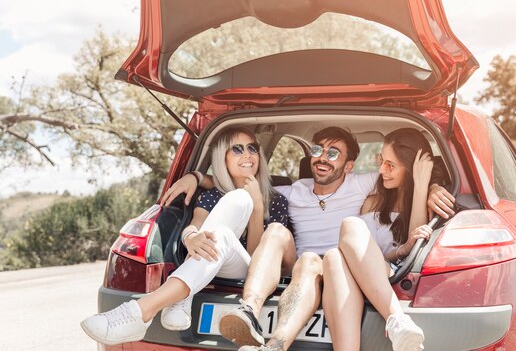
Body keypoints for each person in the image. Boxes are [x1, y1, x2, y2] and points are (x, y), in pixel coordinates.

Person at [160, 126, 455, 351]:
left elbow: (404, 176)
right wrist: (197, 178)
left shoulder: (364, 182)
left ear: (349, 165)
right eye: (317, 150)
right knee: (285, 237)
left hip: (344, 268)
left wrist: (432, 188)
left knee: (330, 253)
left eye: (333, 153)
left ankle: (276, 342)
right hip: (301, 269)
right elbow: (243, 184)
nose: (322, 158)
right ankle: (250, 311)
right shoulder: (293, 190)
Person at [80, 127, 289, 346]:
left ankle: (141, 311)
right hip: (215, 261)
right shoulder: (212, 196)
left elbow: (259, 258)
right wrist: (191, 238)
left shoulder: (277, 201)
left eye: (252, 148)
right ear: (222, 159)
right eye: (237, 149)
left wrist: (257, 207)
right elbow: (193, 227)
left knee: (241, 201)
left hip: (252, 273)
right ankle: (181, 295)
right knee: (229, 220)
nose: (247, 154)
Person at [322, 128, 434, 351]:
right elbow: (368, 255)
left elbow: (414, 245)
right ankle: (396, 321)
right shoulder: (373, 202)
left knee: (349, 226)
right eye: (381, 160)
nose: (382, 170)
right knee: (334, 254)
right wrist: (400, 251)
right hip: (372, 274)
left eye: (391, 165)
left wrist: (423, 186)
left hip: (397, 276)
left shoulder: (431, 201)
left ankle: (396, 319)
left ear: (412, 168)